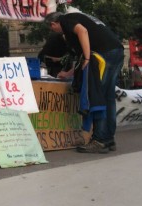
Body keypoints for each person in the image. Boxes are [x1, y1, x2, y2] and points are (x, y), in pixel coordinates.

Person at [44, 11, 124, 154]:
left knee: (98, 97)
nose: (55, 32)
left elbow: (83, 31)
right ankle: (108, 138)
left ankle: (99, 140)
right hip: (116, 51)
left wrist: (87, 58)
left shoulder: (66, 19)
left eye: (52, 29)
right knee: (108, 97)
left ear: (53, 24)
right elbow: (81, 56)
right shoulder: (80, 17)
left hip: (102, 55)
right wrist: (69, 73)